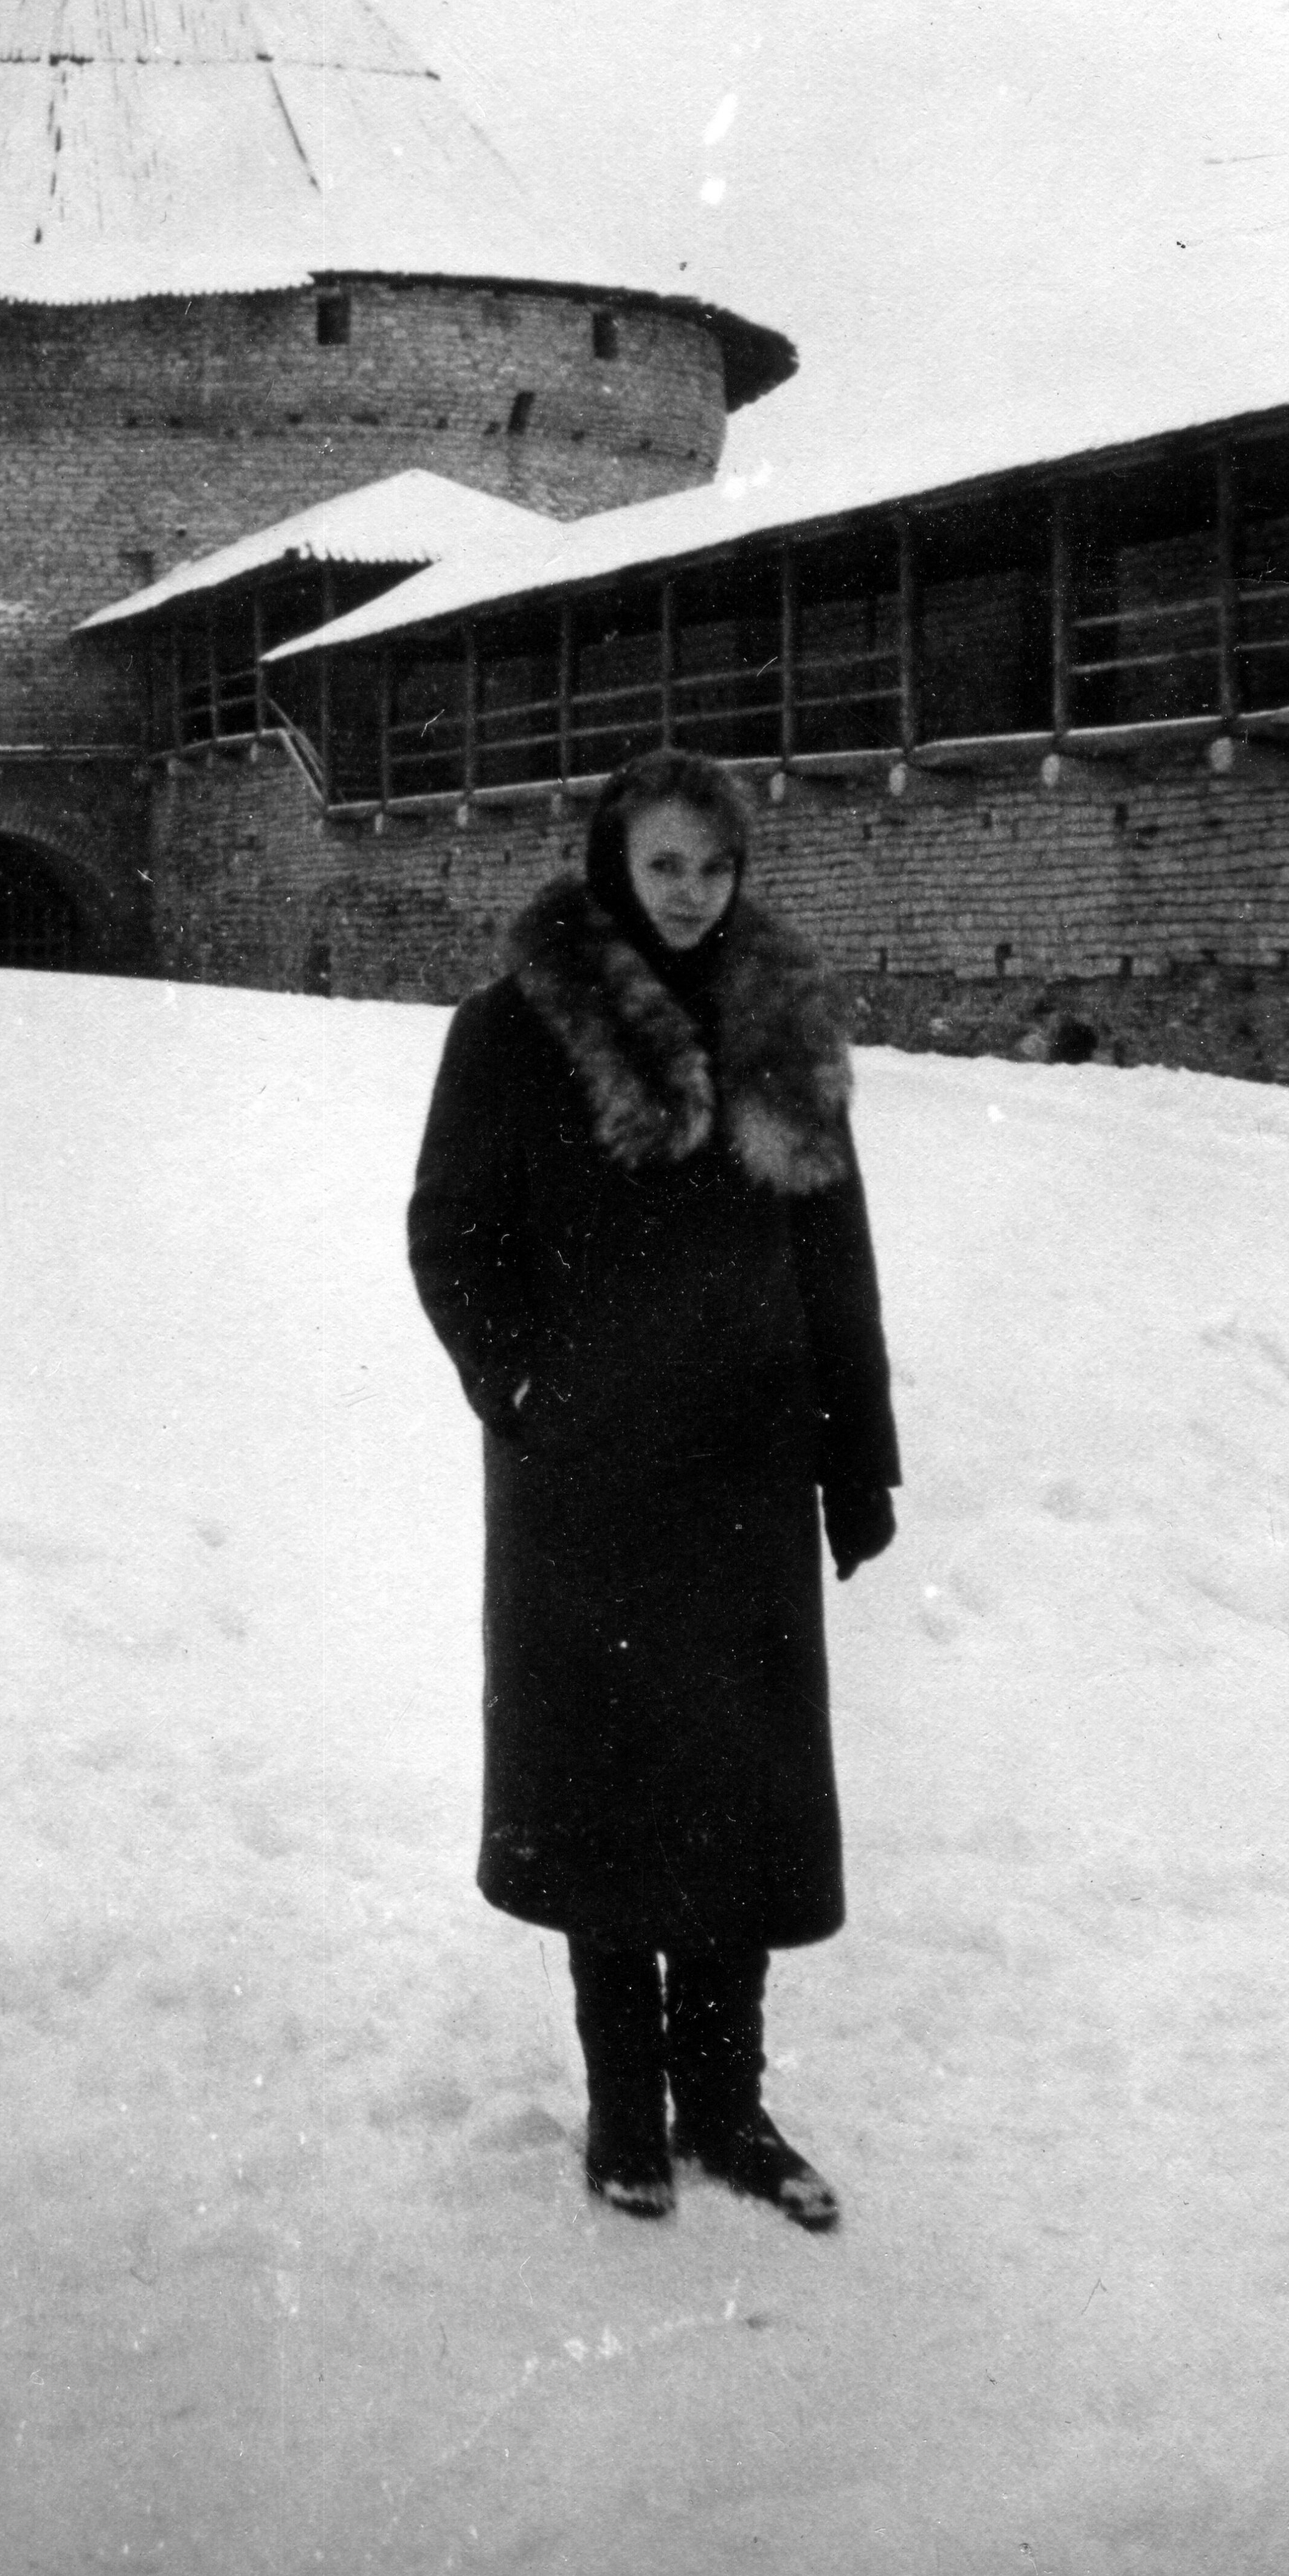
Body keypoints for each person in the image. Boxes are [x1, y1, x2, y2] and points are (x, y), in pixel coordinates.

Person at [406, 748, 900, 2231]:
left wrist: (853, 1453)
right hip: (589, 1476)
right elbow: (450, 1234)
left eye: (714, 865)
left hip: (744, 1469)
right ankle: (624, 2106)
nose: (690, 894)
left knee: (736, 1793)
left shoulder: (780, 1023)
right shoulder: (515, 1024)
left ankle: (727, 2107)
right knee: (608, 1789)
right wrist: (525, 1389)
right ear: (613, 862)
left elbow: (831, 1255)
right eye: (664, 865)